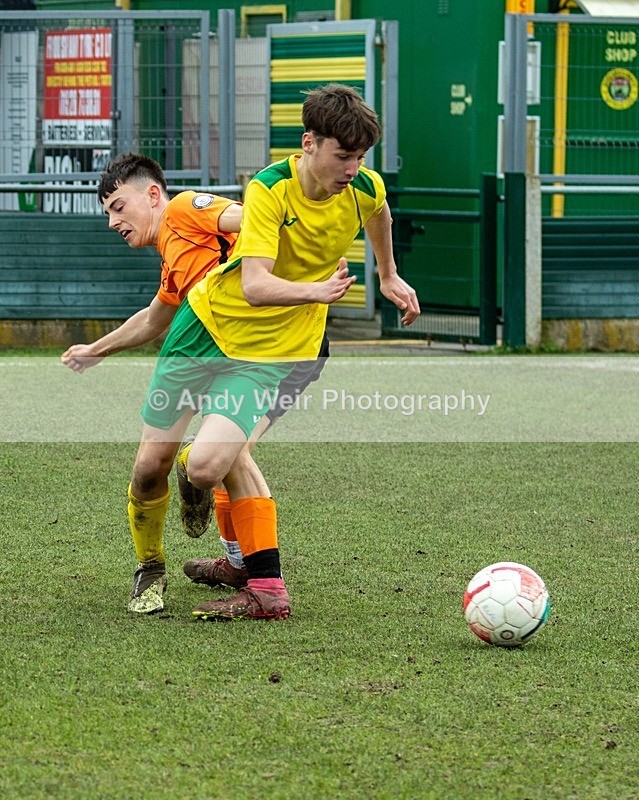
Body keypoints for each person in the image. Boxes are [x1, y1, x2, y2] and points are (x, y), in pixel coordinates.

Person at [147, 82, 420, 622]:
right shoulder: (270, 189)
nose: (353, 168)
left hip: (281, 351)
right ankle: (257, 579)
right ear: (309, 143)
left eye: (361, 156)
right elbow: (254, 285)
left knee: (207, 464)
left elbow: (380, 213)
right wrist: (317, 291)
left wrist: (388, 275)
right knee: (196, 457)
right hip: (215, 325)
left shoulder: (364, 187)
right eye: (343, 155)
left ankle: (253, 577)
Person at [61, 153, 331, 615]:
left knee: (228, 454)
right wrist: (95, 349)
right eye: (107, 212)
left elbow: (253, 218)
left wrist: (298, 264)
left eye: (117, 207)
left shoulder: (187, 208)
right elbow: (153, 318)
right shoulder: (173, 261)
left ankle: (261, 581)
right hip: (216, 346)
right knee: (180, 462)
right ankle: (214, 565)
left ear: (152, 195)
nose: (112, 221)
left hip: (280, 349)